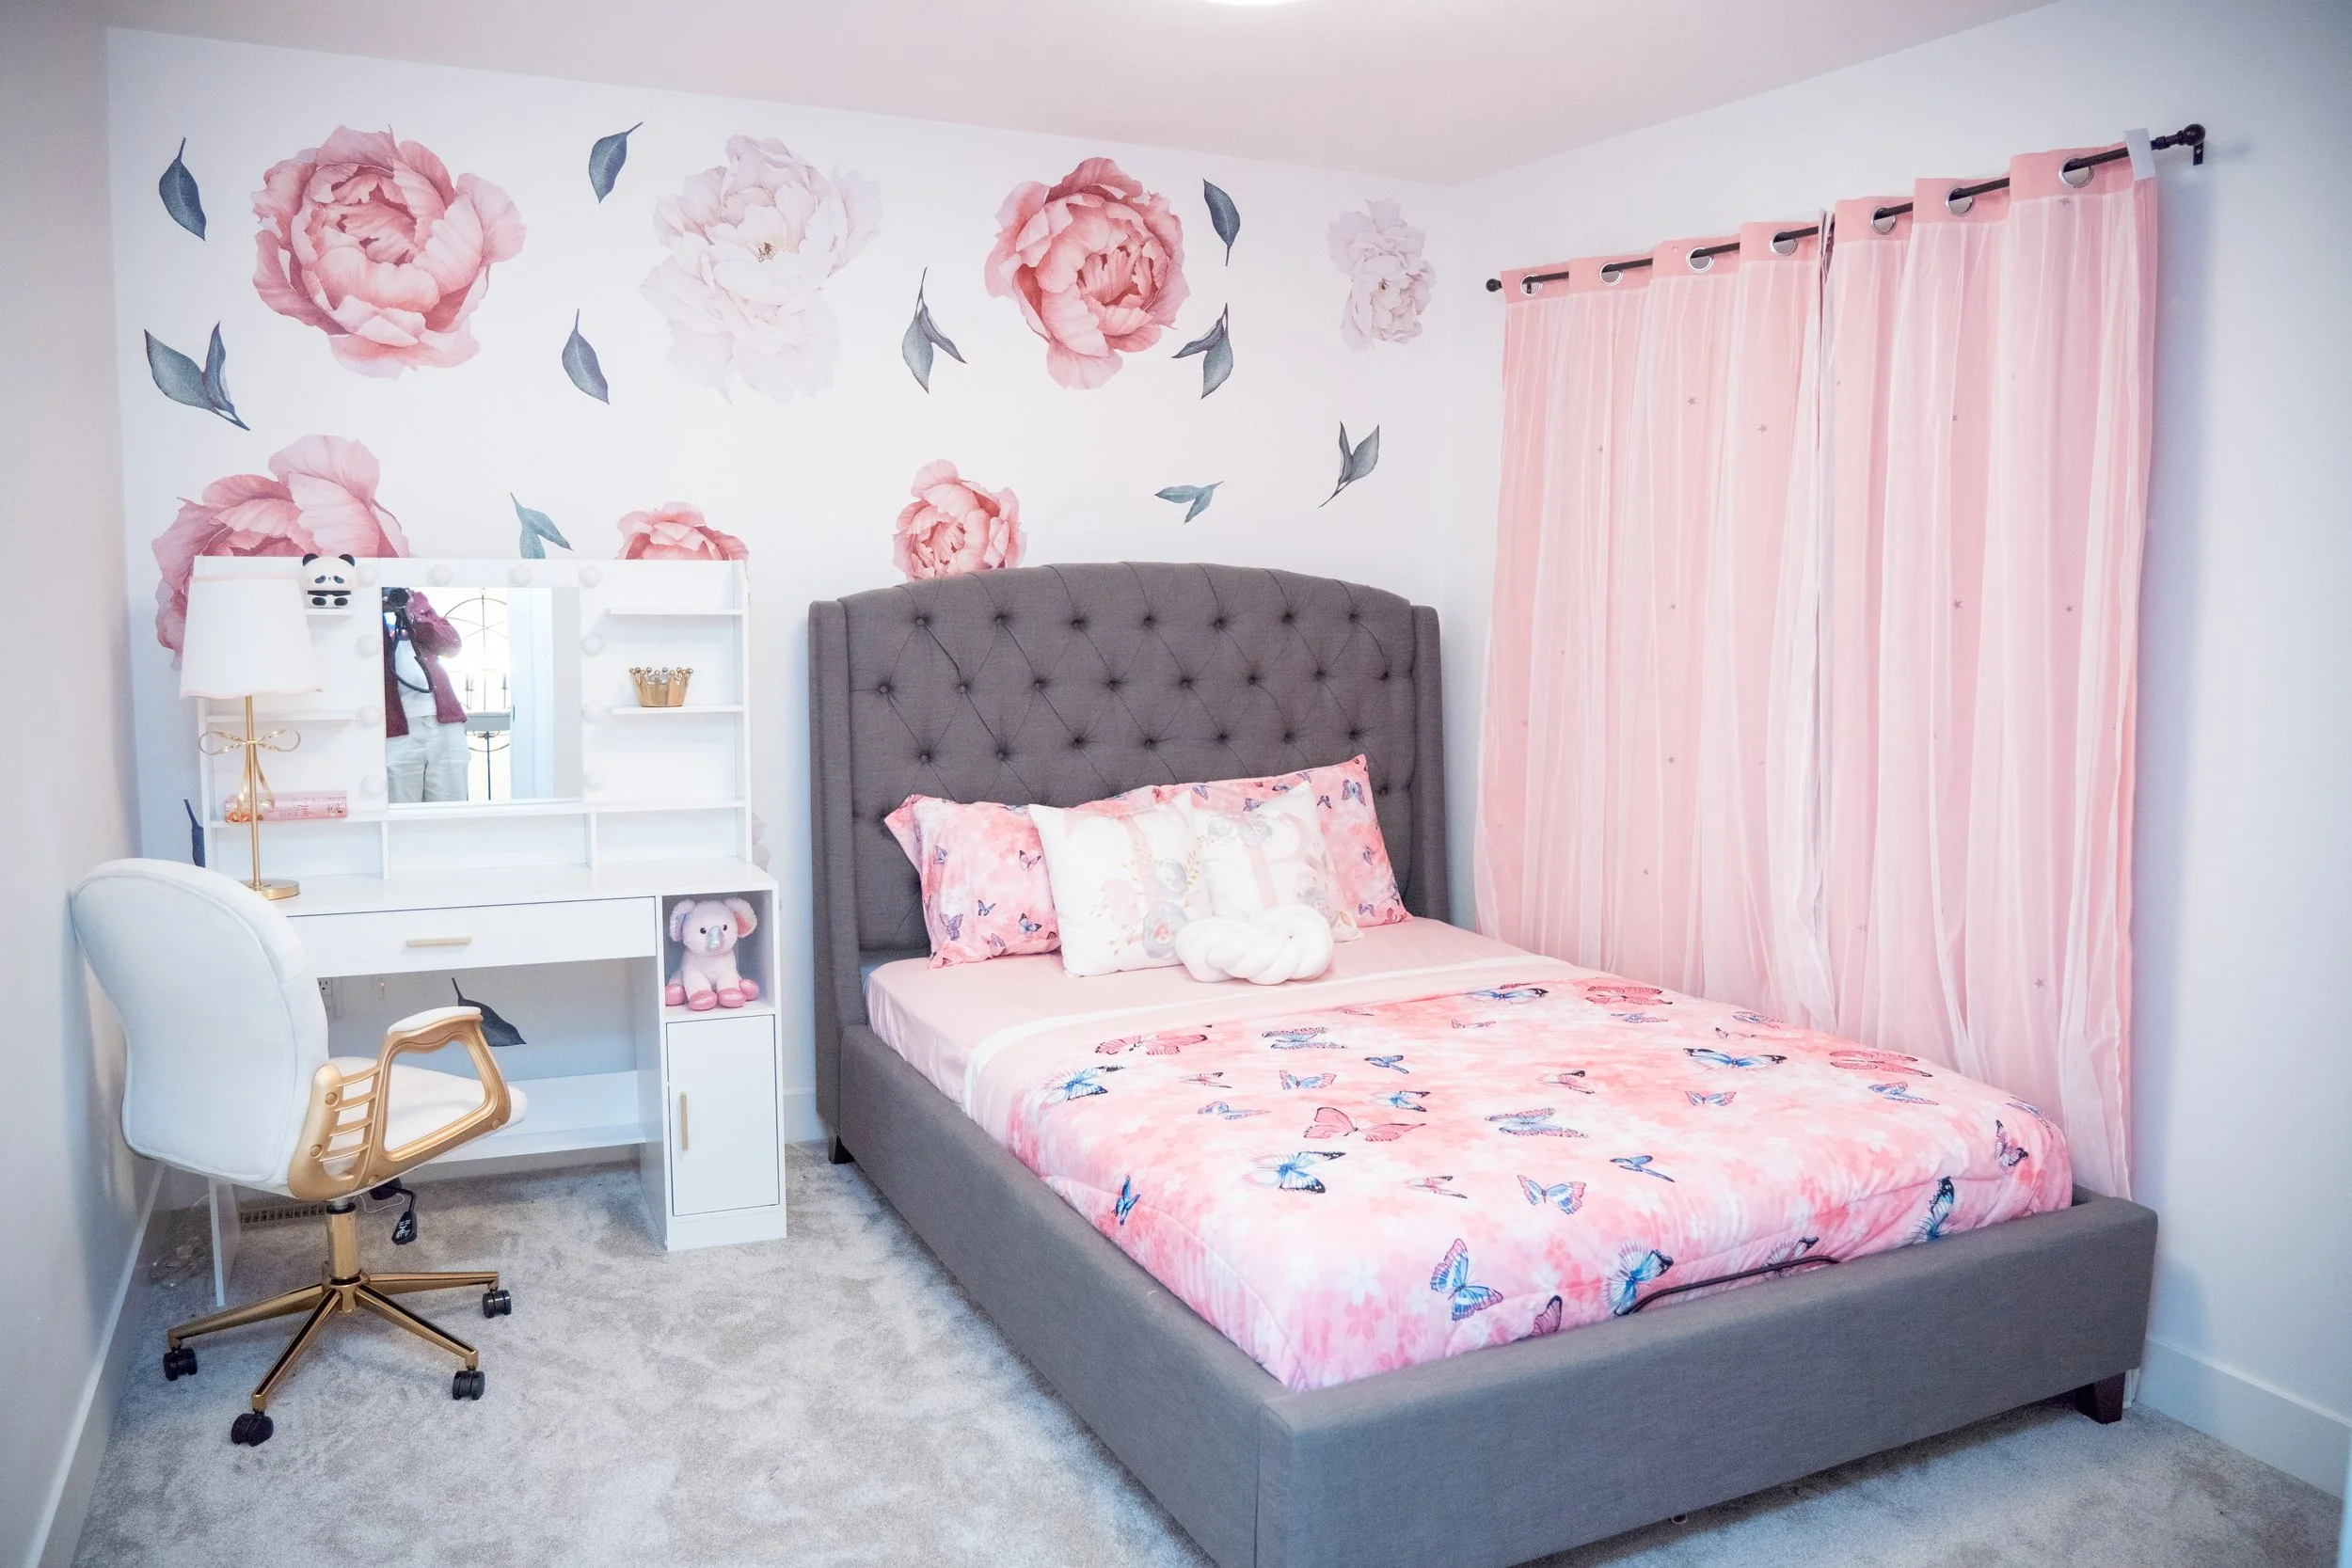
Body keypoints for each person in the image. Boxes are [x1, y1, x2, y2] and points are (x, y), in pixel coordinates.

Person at [382, 588, 469, 803]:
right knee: (400, 808)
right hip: (395, 728)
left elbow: (451, 646)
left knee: (451, 806)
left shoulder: (417, 603)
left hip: (444, 723)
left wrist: (413, 616)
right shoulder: (363, 608)